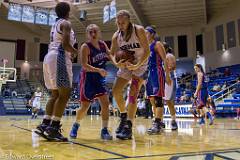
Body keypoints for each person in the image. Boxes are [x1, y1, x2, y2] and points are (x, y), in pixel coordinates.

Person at [34, 2, 78, 141]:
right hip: (59, 57)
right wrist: (75, 52)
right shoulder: (66, 23)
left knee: (55, 94)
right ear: (68, 11)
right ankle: (53, 128)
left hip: (49, 57)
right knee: (64, 94)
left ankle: (45, 124)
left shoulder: (55, 24)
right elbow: (65, 44)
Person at [110, 10, 150, 139]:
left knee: (132, 94)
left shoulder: (138, 30)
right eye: (118, 22)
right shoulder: (116, 36)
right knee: (115, 91)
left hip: (140, 63)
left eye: (123, 22)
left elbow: (147, 51)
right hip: (127, 64)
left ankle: (129, 125)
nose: (120, 25)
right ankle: (123, 114)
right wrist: (117, 63)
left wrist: (137, 65)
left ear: (129, 21)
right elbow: (111, 53)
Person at [69, 24, 112, 140]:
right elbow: (83, 65)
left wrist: (118, 63)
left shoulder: (103, 44)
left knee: (105, 103)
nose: (93, 34)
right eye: (90, 32)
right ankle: (75, 126)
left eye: (95, 32)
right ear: (87, 34)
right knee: (85, 107)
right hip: (87, 78)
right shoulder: (85, 47)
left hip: (99, 79)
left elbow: (110, 55)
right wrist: (98, 70)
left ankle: (104, 130)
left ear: (99, 32)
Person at [144, 26, 170, 134]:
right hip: (149, 74)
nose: (144, 34)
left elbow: (165, 60)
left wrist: (167, 75)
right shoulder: (146, 47)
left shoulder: (157, 44)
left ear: (152, 34)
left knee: (158, 99)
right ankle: (159, 121)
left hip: (158, 71)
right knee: (152, 100)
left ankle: (157, 124)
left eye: (146, 33)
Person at [163, 42, 178, 130]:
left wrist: (166, 71)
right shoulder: (163, 56)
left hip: (170, 79)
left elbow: (173, 67)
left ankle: (174, 121)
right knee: (163, 101)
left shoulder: (169, 56)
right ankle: (160, 121)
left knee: (170, 102)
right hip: (164, 79)